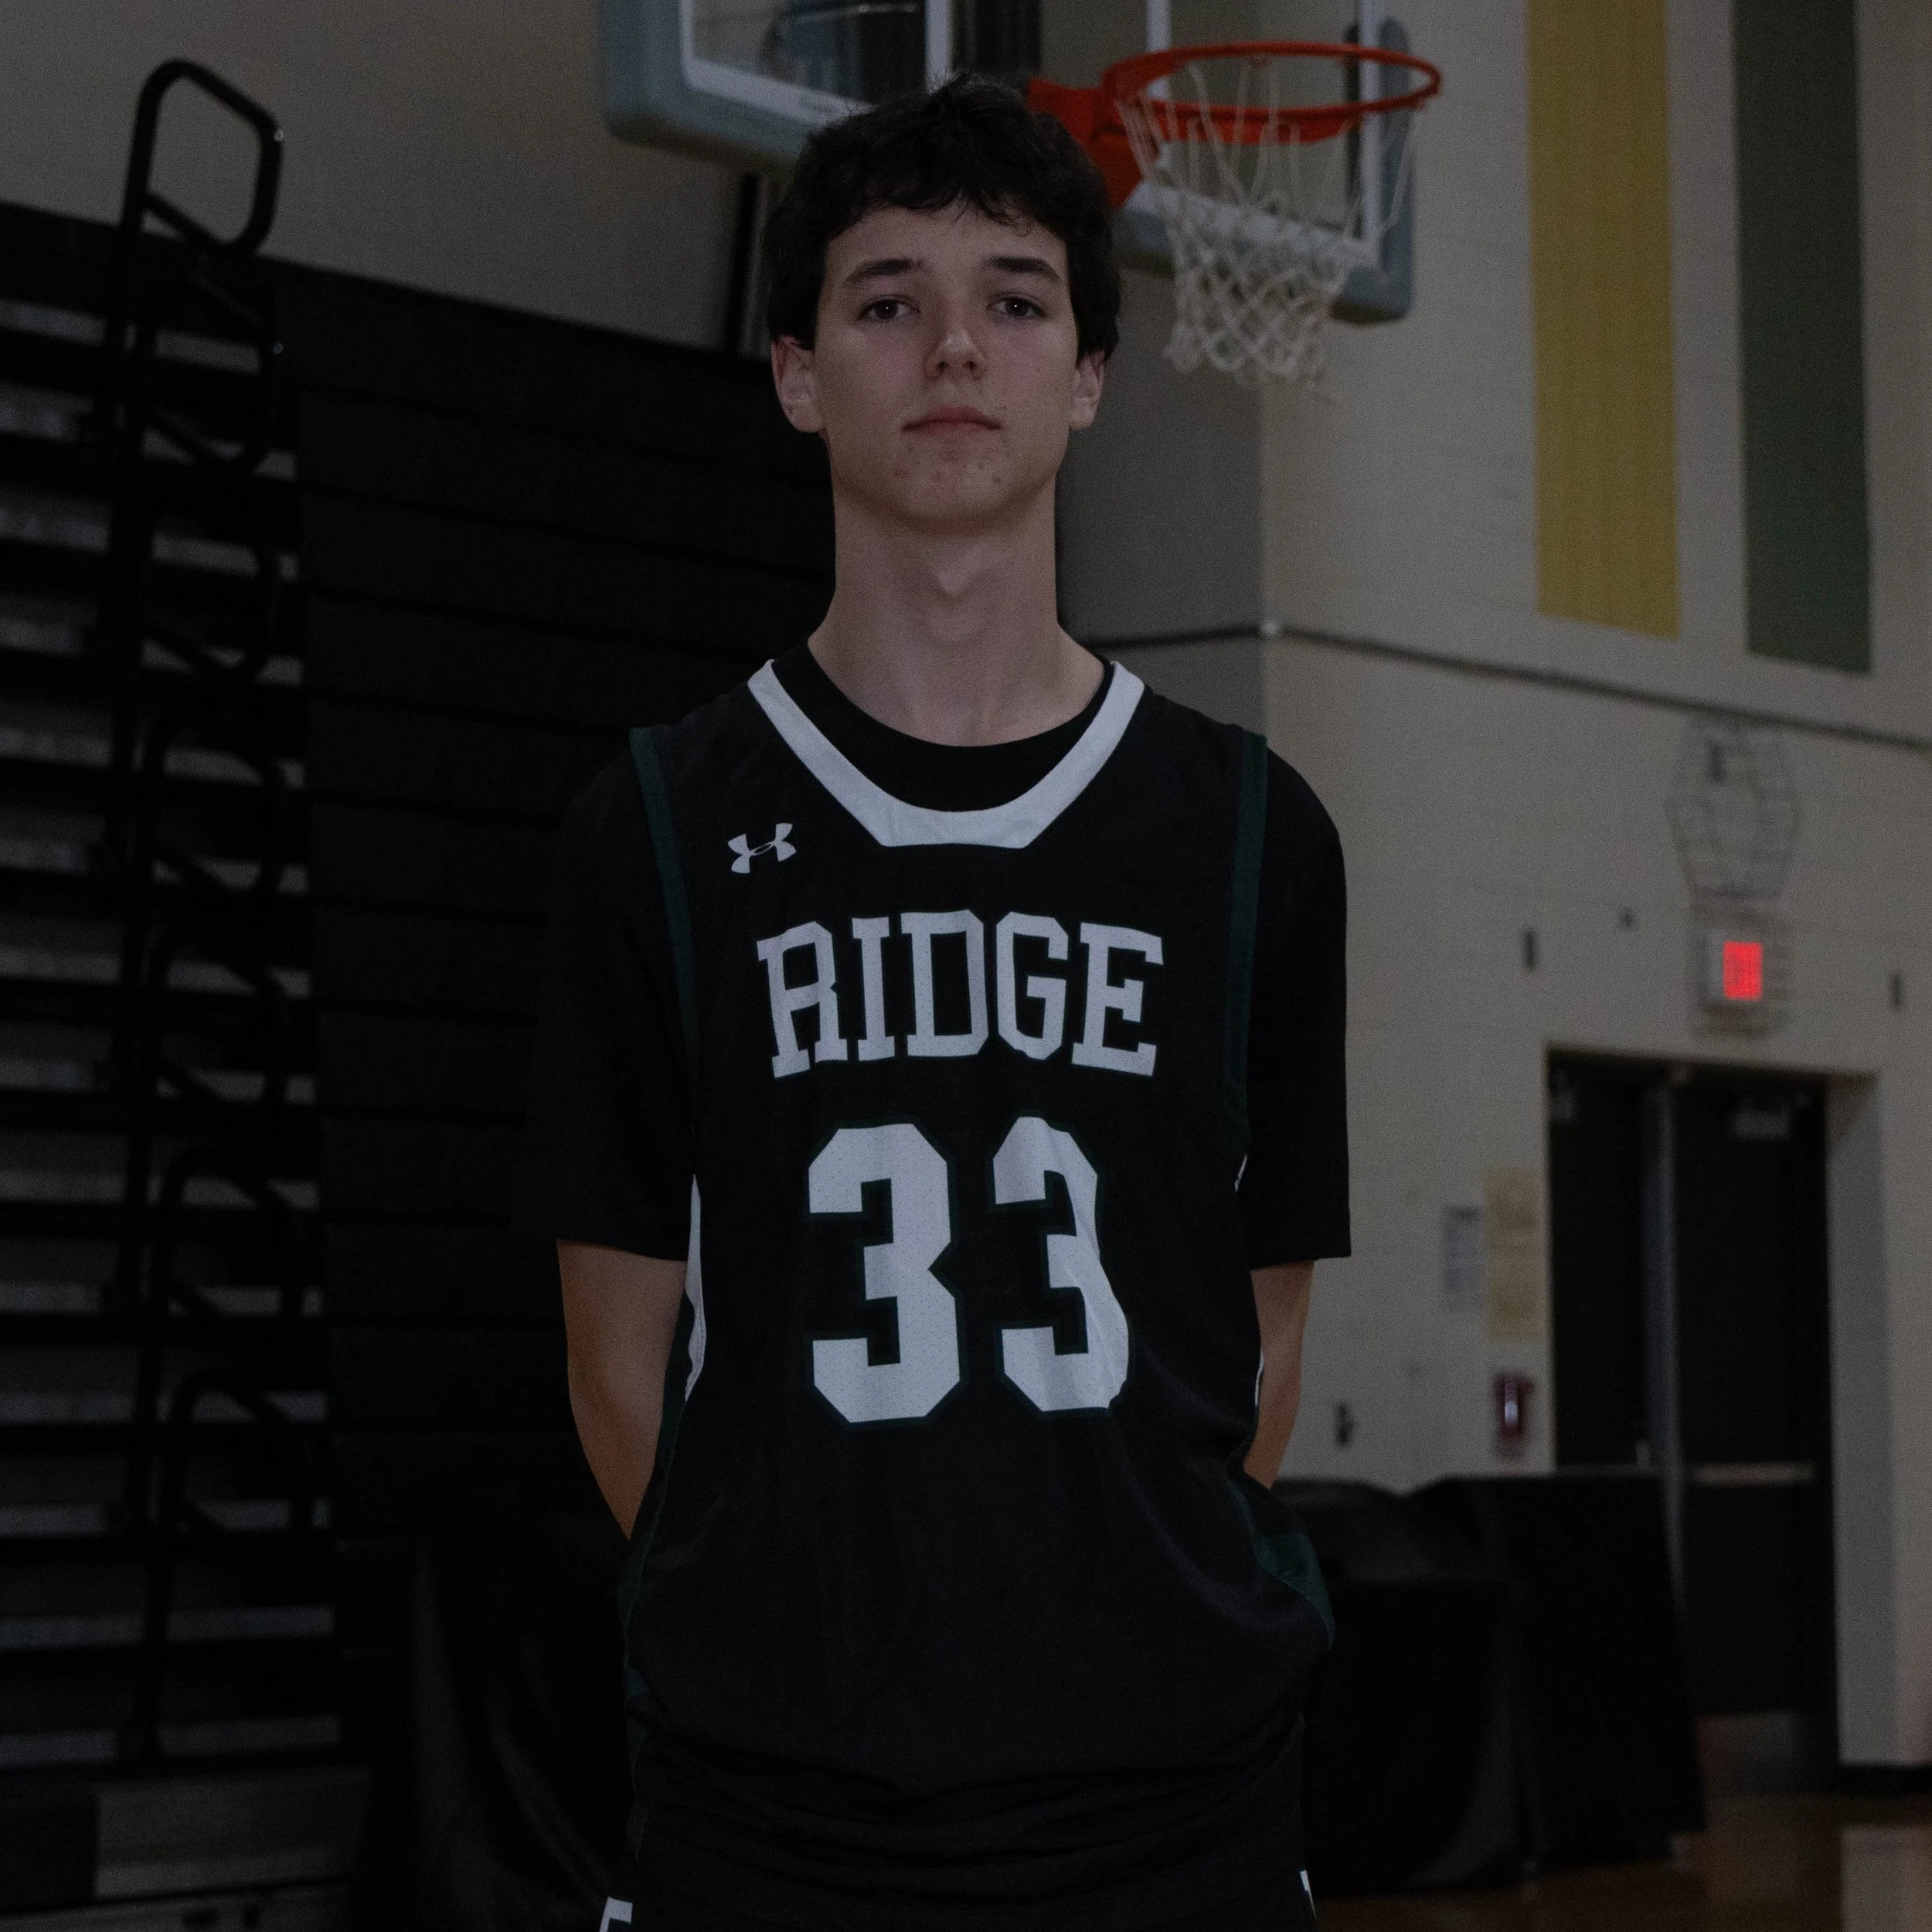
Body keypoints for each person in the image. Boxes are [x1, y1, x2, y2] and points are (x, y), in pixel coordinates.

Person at [521, 74, 1349, 1932]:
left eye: (1015, 296)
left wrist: (1094, 1620)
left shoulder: (1246, 837)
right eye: (887, 299)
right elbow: (614, 1357)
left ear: (1089, 376)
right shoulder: (650, 825)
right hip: (781, 1828)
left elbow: (1261, 1345)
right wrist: (812, 1652)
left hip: (1173, 1824)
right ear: (799, 370)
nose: (953, 343)